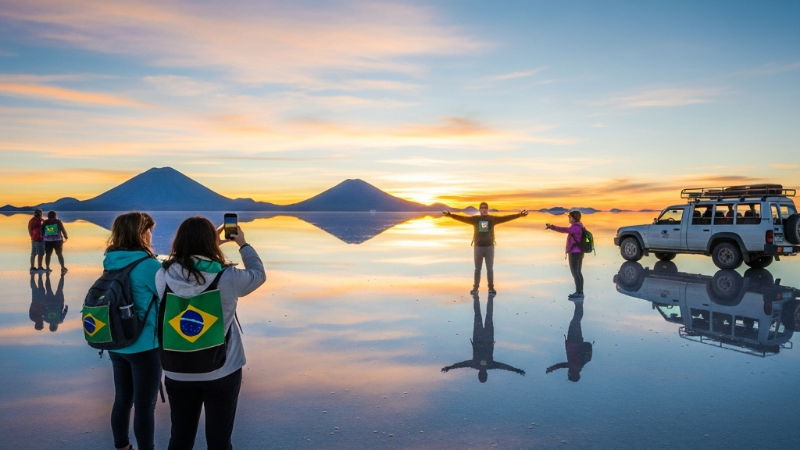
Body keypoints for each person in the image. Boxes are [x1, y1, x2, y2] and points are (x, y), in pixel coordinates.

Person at [156, 217, 266, 450]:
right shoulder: (228, 277)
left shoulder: (162, 276)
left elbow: (182, 267)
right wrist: (243, 244)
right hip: (222, 371)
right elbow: (258, 274)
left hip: (177, 370)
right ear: (212, 242)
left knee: (180, 438)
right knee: (219, 441)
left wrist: (205, 245)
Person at [104, 212, 163, 450]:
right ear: (141, 233)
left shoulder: (110, 260)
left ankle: (122, 446)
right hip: (144, 345)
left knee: (122, 400)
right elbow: (169, 297)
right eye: (148, 230)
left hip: (116, 342)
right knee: (144, 406)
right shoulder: (149, 266)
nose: (150, 235)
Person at [443, 202, 528, 294]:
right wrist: (450, 215)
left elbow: (505, 218)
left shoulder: (492, 219)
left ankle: (491, 288)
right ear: (479, 210)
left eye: (485, 208)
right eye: (482, 208)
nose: (483, 209)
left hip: (489, 248)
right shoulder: (475, 219)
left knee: (490, 269)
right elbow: (463, 218)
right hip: (478, 248)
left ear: (487, 209)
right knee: (477, 269)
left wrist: (519, 215)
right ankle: (475, 288)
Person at [441, 293, 525, 382]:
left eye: (482, 375)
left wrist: (450, 367)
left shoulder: (478, 365)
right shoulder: (487, 365)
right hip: (486, 337)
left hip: (480, 336)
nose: (483, 373)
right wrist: (516, 370)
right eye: (484, 375)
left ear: (480, 374)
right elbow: (503, 366)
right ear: (485, 374)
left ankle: (479, 297)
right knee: (486, 315)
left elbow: (463, 364)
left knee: (481, 315)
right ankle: (485, 297)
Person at [545, 298, 590, 382]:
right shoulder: (575, 367)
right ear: (572, 375)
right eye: (569, 375)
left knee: (575, 321)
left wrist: (552, 368)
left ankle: (578, 304)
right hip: (574, 341)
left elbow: (564, 365)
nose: (568, 373)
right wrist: (552, 368)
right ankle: (579, 304)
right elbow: (562, 365)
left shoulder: (578, 367)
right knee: (575, 321)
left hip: (576, 341)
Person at [546, 210, 585, 299]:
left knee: (576, 273)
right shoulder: (580, 225)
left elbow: (564, 230)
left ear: (574, 218)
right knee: (578, 273)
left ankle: (579, 293)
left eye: (570, 217)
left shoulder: (575, 227)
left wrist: (552, 227)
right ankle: (579, 291)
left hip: (574, 253)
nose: (569, 218)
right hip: (579, 252)